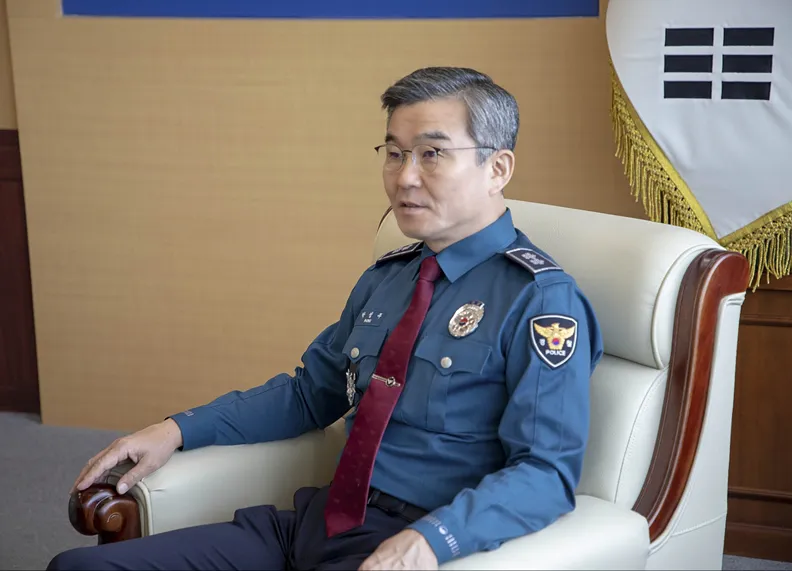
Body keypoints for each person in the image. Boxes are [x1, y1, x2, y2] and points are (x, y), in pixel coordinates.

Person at [48, 66, 603, 571]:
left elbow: (545, 474)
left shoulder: (541, 302)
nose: (405, 177)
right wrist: (175, 430)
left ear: (497, 168)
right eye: (394, 153)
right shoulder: (390, 277)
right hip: (316, 525)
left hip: (410, 541)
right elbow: (308, 395)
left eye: (432, 153)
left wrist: (432, 540)